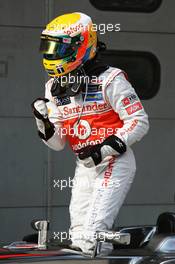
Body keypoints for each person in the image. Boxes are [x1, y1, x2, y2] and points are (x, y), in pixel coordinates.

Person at [31, 12, 149, 255]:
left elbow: (139, 122)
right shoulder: (53, 86)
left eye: (57, 48)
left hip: (114, 161)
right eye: (48, 47)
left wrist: (102, 151)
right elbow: (57, 143)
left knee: (95, 232)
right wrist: (42, 120)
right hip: (85, 163)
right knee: (77, 233)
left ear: (81, 45)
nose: (51, 54)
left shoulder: (111, 79)